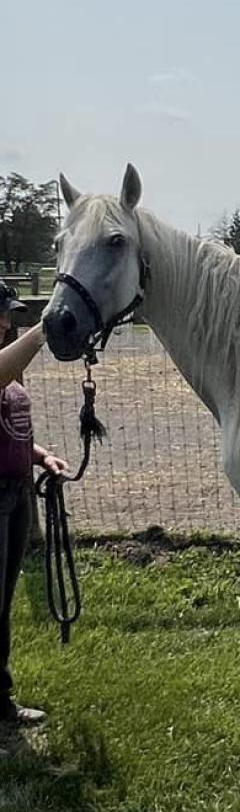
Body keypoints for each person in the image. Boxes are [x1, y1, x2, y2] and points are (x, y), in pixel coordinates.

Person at [0, 279, 69, 727]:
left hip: (15, 492)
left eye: (8, 315)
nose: (6, 322)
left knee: (2, 602)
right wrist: (45, 329)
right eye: (0, 314)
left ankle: (0, 698)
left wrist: (41, 455)